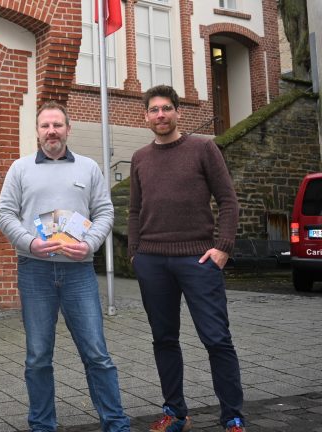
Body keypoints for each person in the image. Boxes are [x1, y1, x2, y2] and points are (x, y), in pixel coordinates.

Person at [0, 101, 131, 432]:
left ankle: (115, 424)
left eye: (57, 125)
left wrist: (91, 244)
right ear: (38, 131)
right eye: (45, 126)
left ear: (68, 129)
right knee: (38, 356)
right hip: (35, 271)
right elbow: (4, 214)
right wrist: (30, 243)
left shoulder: (88, 168)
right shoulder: (20, 168)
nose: (52, 131)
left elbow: (105, 211)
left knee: (97, 353)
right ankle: (42, 425)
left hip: (79, 272)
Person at [128, 85, 246, 432]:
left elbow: (228, 200)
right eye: (154, 110)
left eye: (166, 108)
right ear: (146, 116)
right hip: (152, 261)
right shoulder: (140, 158)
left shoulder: (203, 149)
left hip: (198, 260)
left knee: (216, 338)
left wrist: (223, 247)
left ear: (178, 112)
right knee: (164, 339)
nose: (160, 115)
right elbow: (134, 210)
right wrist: (135, 253)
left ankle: (233, 416)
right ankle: (175, 411)